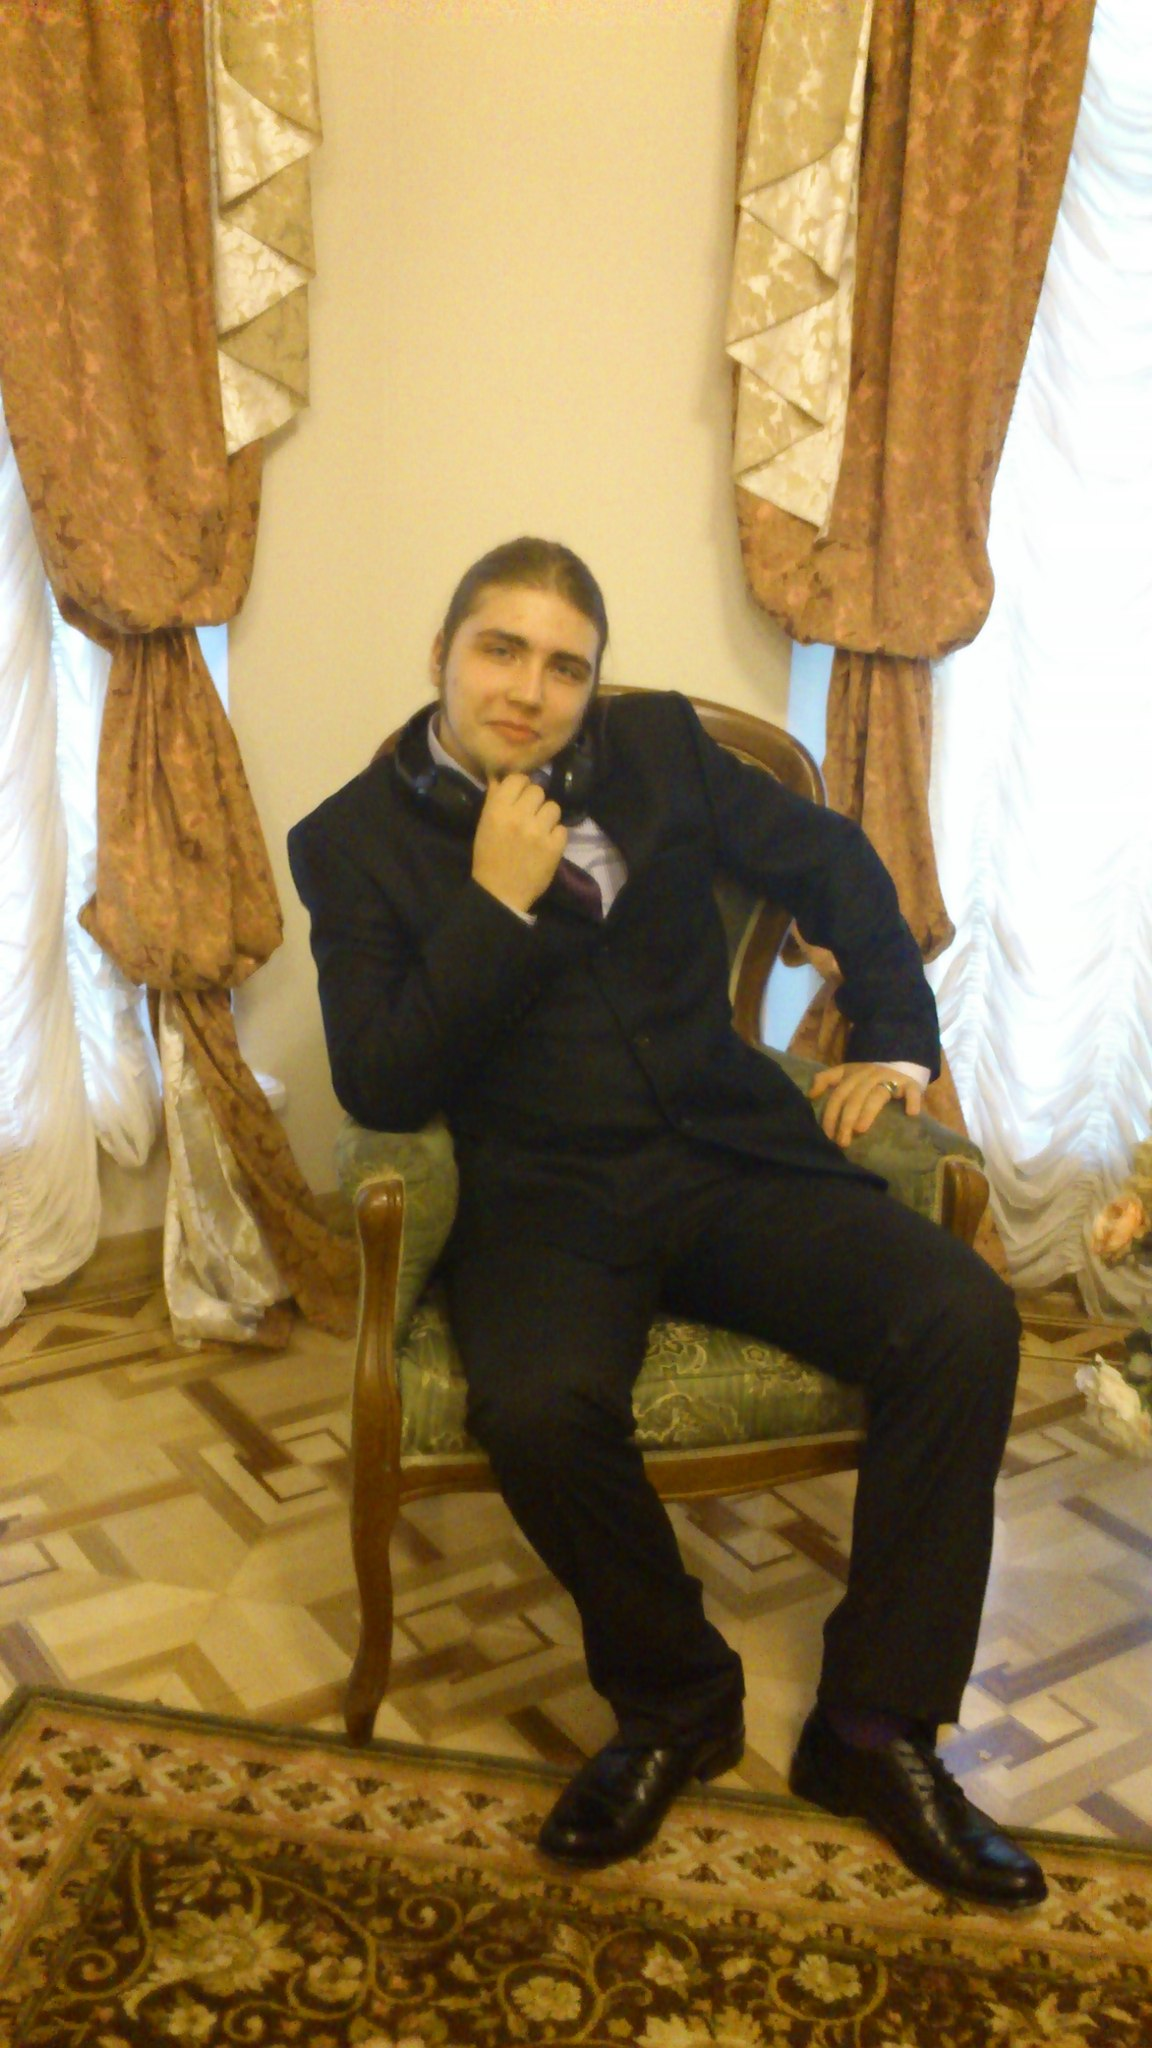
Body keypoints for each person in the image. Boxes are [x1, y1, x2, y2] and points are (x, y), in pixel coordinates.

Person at [288, 537, 1045, 1907]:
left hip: (728, 1153)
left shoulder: (659, 750)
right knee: (537, 1406)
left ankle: (874, 1730)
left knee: (962, 1316)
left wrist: (892, 1036)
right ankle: (678, 1703)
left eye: (565, 665)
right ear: (442, 655)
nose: (530, 689)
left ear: (595, 681)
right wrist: (494, 904)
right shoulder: (349, 842)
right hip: (546, 1196)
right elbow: (382, 1077)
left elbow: (828, 856)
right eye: (500, 650)